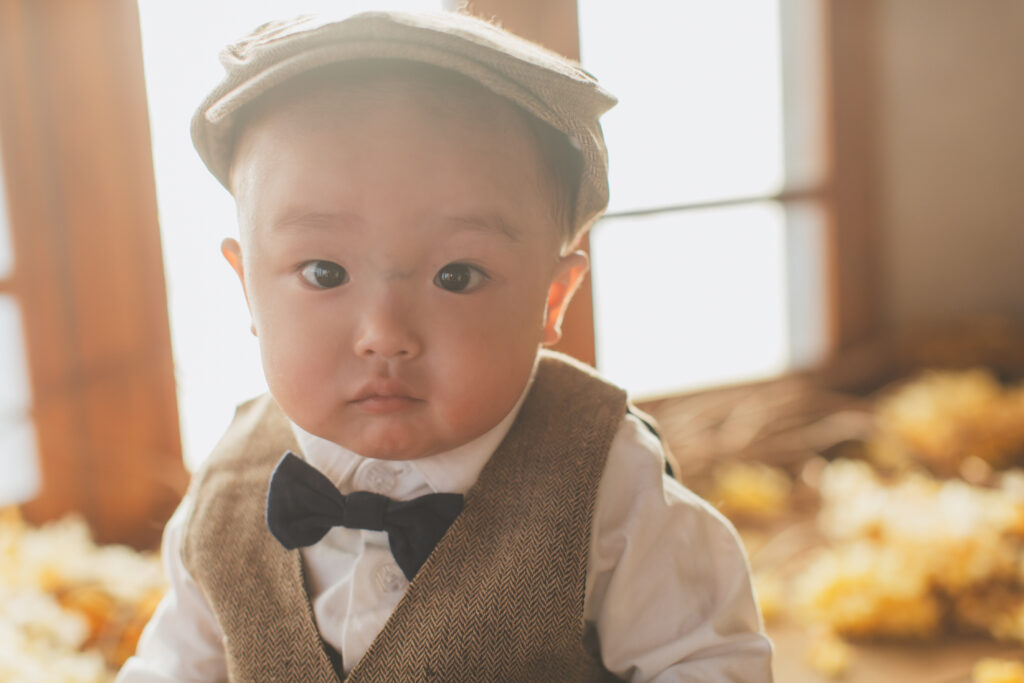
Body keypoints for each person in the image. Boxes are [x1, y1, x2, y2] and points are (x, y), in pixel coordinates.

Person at [118, 9, 772, 682]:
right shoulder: (226, 490)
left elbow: (706, 660)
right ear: (248, 288)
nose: (385, 335)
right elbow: (174, 665)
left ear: (553, 297)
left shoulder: (607, 481)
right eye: (324, 272)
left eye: (456, 276)